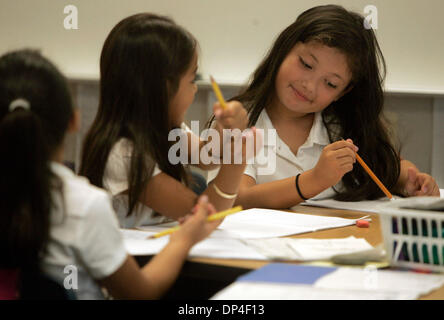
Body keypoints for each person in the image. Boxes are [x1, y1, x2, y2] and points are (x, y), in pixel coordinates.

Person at [0, 49, 219, 300]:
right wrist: (183, 241)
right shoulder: (84, 205)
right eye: (191, 79)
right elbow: (139, 294)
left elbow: (207, 155)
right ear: (74, 120)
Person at [233, 5, 439, 210]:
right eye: (306, 64)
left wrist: (410, 182)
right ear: (284, 49)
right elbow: (237, 198)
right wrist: (313, 180)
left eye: (330, 83)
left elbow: (391, 169)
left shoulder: (342, 126)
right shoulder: (235, 121)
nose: (309, 86)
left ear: (343, 92)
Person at [80, 13, 257, 228]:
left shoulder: (165, 129)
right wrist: (236, 164)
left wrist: (224, 133)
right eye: (192, 80)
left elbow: (206, 157)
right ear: (163, 89)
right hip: (134, 257)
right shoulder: (123, 154)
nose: (194, 89)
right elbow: (203, 217)